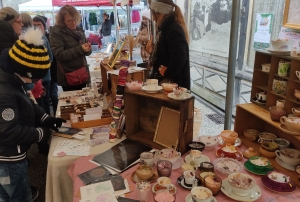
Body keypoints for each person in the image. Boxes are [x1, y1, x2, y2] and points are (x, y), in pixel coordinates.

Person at [0, 27, 66, 202]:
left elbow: (28, 104)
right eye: (34, 79)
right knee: (19, 197)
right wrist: (40, 133)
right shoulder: (5, 92)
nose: (35, 83)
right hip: (8, 159)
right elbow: (8, 132)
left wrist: (47, 118)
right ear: (24, 71)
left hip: (12, 156)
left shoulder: (14, 81)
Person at [150, 0, 190, 89]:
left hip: (173, 87)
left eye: (154, 14)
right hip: (168, 85)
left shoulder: (173, 30)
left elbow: (180, 57)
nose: (153, 18)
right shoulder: (166, 29)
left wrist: (168, 72)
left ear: (160, 13)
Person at [50, 5, 92, 91]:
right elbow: (59, 54)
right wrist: (81, 49)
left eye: (75, 20)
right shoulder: (57, 32)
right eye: (69, 21)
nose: (73, 23)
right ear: (62, 21)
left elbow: (86, 52)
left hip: (82, 72)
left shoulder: (79, 31)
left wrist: (88, 49)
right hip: (69, 75)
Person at [33, 15, 53, 115]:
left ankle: (48, 123)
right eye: (34, 25)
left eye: (39, 25)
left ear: (44, 26)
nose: (36, 27)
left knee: (45, 101)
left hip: (44, 77)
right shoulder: (30, 39)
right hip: (35, 79)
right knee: (39, 103)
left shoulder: (44, 38)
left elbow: (50, 57)